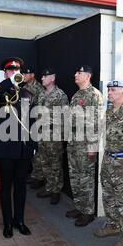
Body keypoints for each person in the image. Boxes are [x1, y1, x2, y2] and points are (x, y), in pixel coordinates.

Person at [0, 57, 35, 238]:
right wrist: (8, 82)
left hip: (23, 150)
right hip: (5, 149)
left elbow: (33, 122)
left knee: (20, 186)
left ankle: (19, 220)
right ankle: (7, 223)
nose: (14, 72)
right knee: (5, 187)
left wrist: (32, 146)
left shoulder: (28, 94)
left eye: (17, 70)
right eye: (10, 70)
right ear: (5, 72)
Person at [94, 80, 123, 246]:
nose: (109, 93)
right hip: (109, 160)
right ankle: (113, 225)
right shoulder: (109, 111)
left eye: (113, 90)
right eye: (109, 90)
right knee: (109, 197)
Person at [65, 65, 103, 227]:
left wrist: (93, 146)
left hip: (86, 144)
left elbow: (97, 123)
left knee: (86, 178)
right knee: (75, 177)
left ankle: (88, 212)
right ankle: (79, 207)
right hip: (74, 143)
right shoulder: (77, 95)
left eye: (78, 72)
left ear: (87, 76)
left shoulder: (94, 95)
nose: (75, 74)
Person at [34, 68, 69, 205]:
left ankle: (56, 191)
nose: (42, 78)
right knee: (44, 162)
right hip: (42, 134)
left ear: (52, 78)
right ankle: (49, 187)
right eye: (42, 76)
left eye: (45, 76)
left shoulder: (60, 95)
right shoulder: (42, 94)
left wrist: (64, 136)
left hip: (54, 135)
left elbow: (66, 117)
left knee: (55, 164)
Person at [22, 66, 46, 190]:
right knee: (31, 151)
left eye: (26, 74)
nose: (24, 76)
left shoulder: (39, 88)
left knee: (39, 152)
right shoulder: (24, 88)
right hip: (27, 123)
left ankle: (39, 177)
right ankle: (34, 174)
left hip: (37, 122)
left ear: (32, 75)